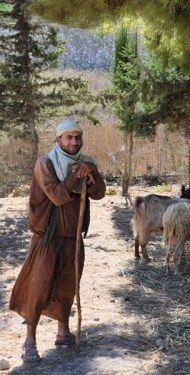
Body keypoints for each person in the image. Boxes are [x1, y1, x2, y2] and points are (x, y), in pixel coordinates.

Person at [9, 119, 106, 363]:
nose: (74, 142)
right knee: (38, 286)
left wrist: (91, 172)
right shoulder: (45, 163)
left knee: (68, 285)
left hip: (73, 238)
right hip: (47, 239)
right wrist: (76, 175)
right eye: (68, 137)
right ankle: (30, 340)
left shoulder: (87, 163)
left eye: (77, 137)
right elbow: (59, 196)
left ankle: (63, 333)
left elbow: (100, 193)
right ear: (58, 140)